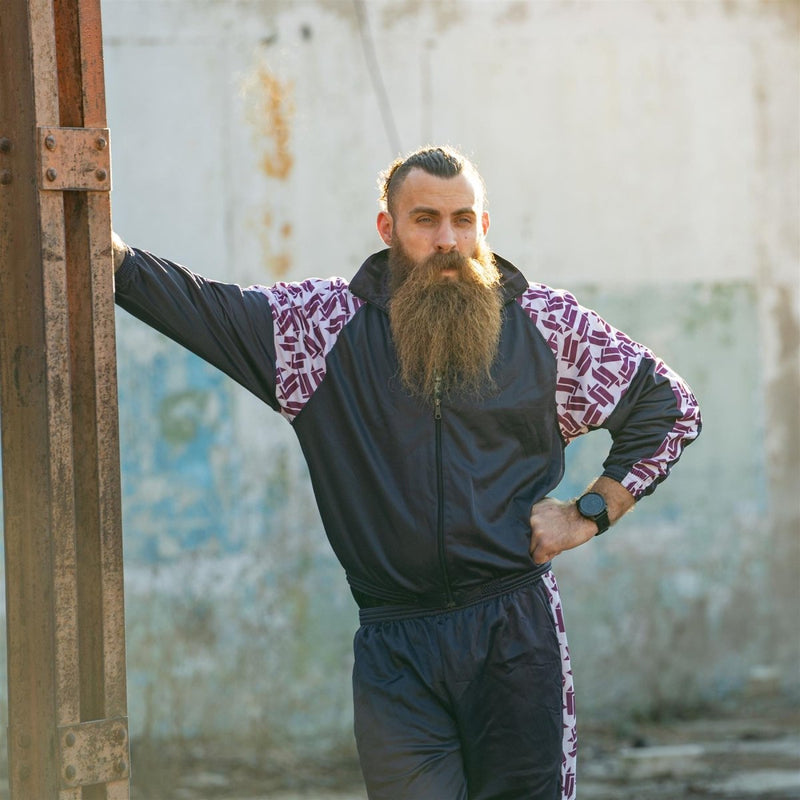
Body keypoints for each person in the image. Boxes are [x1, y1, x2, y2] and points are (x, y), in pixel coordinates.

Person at [112, 145, 701, 800]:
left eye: (463, 220)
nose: (447, 240)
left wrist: (587, 513)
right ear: (387, 228)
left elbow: (669, 408)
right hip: (396, 647)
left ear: (484, 226)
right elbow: (196, 305)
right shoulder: (317, 331)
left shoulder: (546, 326)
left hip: (515, 636)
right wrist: (105, 254)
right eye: (425, 220)